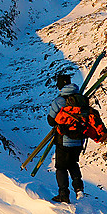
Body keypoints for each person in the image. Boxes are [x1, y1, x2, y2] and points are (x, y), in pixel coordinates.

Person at [47, 73, 85, 203]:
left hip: (63, 140)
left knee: (61, 167)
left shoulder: (59, 101)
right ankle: (79, 189)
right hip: (79, 139)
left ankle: (63, 194)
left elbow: (51, 121)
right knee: (73, 163)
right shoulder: (81, 99)